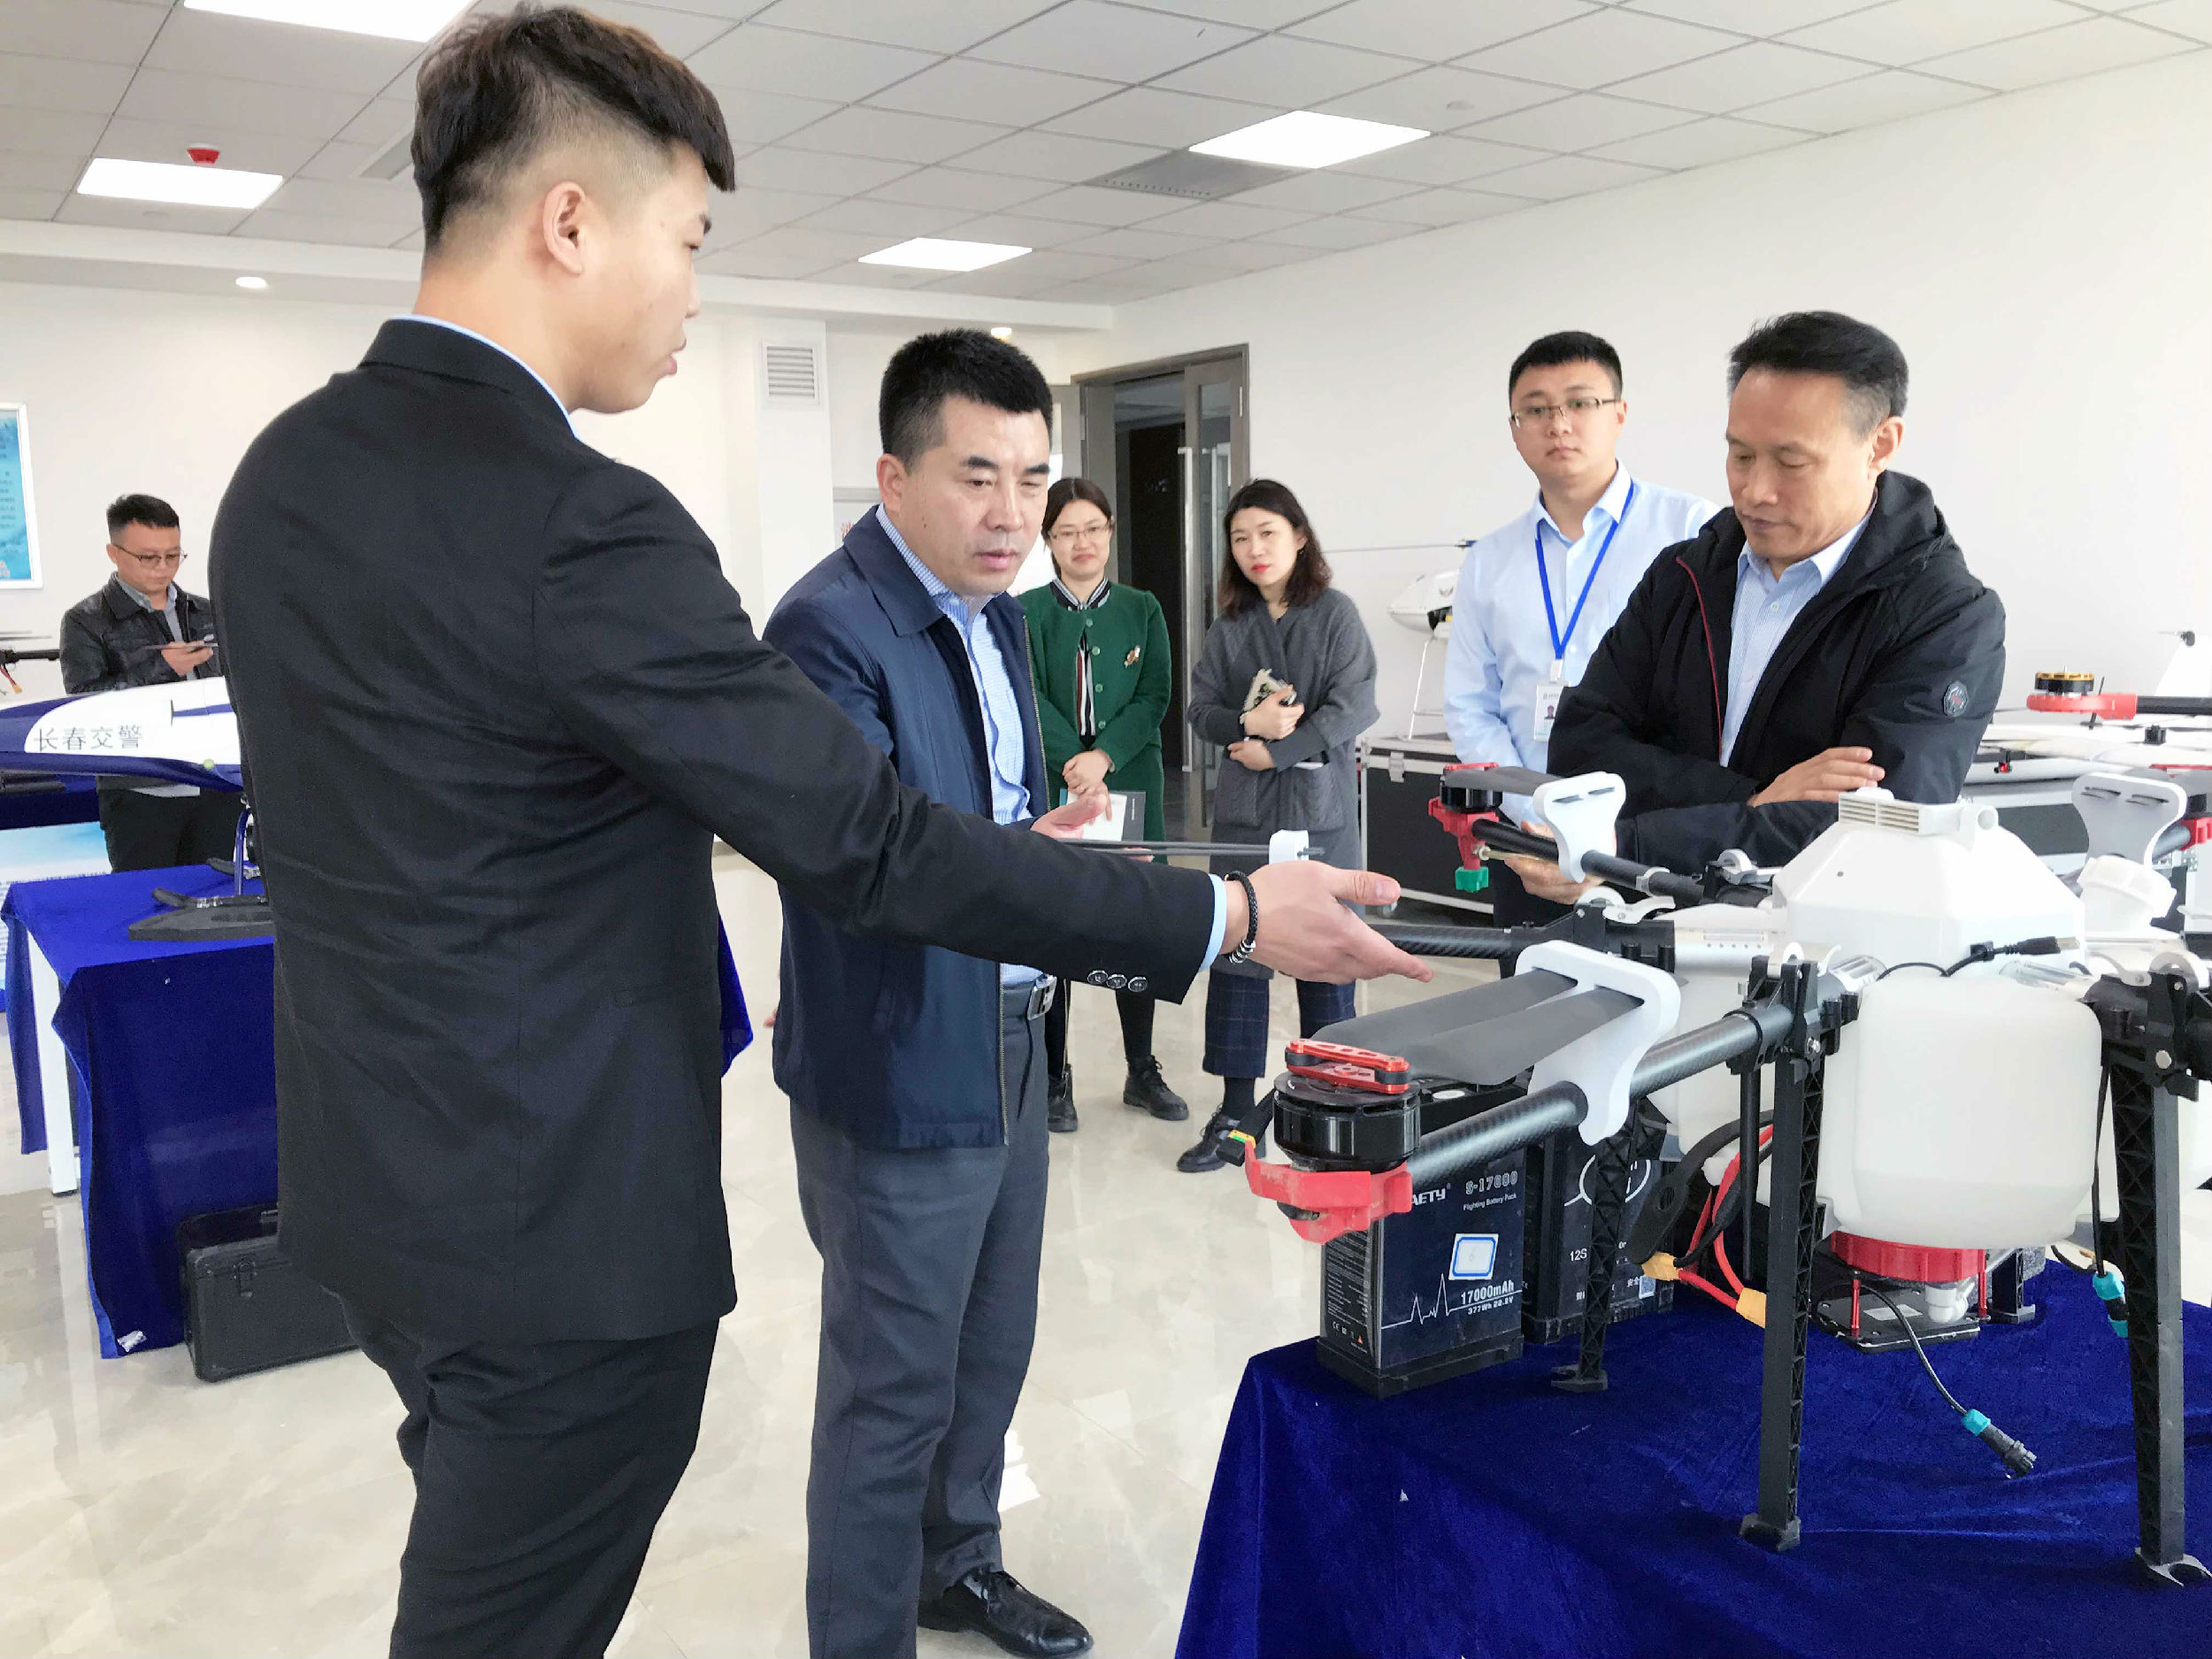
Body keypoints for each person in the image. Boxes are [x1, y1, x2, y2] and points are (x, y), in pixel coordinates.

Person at [206, 13, 1425, 1659]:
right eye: (688, 239)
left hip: (376, 1190)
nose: (692, 292)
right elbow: (874, 845)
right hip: (556, 1235)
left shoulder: (285, 474)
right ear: (570, 222)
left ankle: (951, 1557)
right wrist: (1231, 918)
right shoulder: (585, 523)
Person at [769, 334, 1129, 1659]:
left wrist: (1052, 840)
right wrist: (1050, 877)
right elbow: (877, 863)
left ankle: (958, 1565)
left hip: (1013, 1034)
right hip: (901, 1052)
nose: (1012, 513)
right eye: (977, 476)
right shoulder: (826, 628)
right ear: (893, 477)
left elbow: (985, 823)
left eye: (1032, 479)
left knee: (990, 1344)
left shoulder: (1000, 614)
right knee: (890, 1391)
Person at [1521, 311, 2005, 902]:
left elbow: (1874, 828)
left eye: (1791, 462)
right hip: (1641, 925)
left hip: (1813, 942)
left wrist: (1639, 843)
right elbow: (1579, 747)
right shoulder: (1684, 576)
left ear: (1880, 445)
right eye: (1741, 456)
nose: (1755, 491)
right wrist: (1749, 800)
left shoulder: (1946, 618)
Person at [1442, 331, 1718, 925]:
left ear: (1619, 414)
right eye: (1536, 409)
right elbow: (1470, 705)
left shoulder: (1693, 530)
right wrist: (1533, 809)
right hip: (1528, 842)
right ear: (1515, 429)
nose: (1558, 424)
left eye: (1579, 402)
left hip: (1651, 837)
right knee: (1531, 982)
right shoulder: (1488, 560)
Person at [1177, 480, 1379, 1175]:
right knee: (1239, 956)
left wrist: (1280, 749)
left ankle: (1332, 1110)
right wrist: (1246, 722)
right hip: (1245, 818)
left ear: (1299, 535)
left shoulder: (1336, 615)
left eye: (1267, 532)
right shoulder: (1229, 625)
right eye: (1240, 538)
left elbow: (1354, 706)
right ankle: (1236, 1114)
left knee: (1327, 956)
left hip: (1319, 818)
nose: (1254, 549)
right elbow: (1200, 710)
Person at [1021, 476, 1187, 1133]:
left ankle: (1140, 1068)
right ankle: (1054, 1075)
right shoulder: (1024, 613)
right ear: (1049, 541)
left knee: (1134, 924)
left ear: (1110, 531)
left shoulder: (1143, 608)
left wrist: (1106, 757)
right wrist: (1075, 761)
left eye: (1093, 528)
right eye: (1067, 532)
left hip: (1130, 784)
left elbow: (1155, 695)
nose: (1082, 542)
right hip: (1056, 788)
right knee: (1055, 923)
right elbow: (1027, 694)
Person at [58, 493, 245, 872]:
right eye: (148, 557)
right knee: (144, 897)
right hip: (140, 790)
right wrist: (162, 667)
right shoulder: (86, 620)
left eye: (173, 555)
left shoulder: (206, 611)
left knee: (214, 891)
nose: (163, 568)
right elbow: (84, 705)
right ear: (114, 553)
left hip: (214, 782)